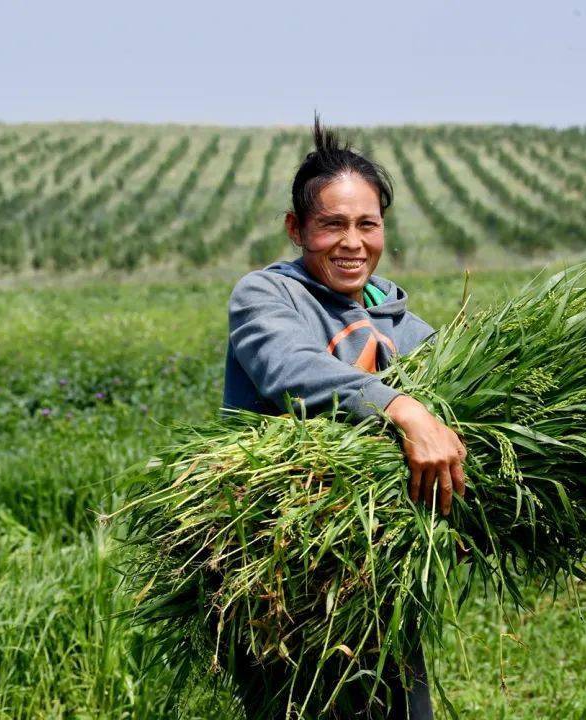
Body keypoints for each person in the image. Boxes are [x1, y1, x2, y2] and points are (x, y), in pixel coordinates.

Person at [221, 117, 467, 719]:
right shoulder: (267, 296)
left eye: (367, 224)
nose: (352, 242)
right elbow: (290, 369)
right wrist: (401, 408)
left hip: (379, 572)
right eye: (332, 224)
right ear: (297, 228)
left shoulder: (405, 325)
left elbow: (458, 409)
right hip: (284, 565)